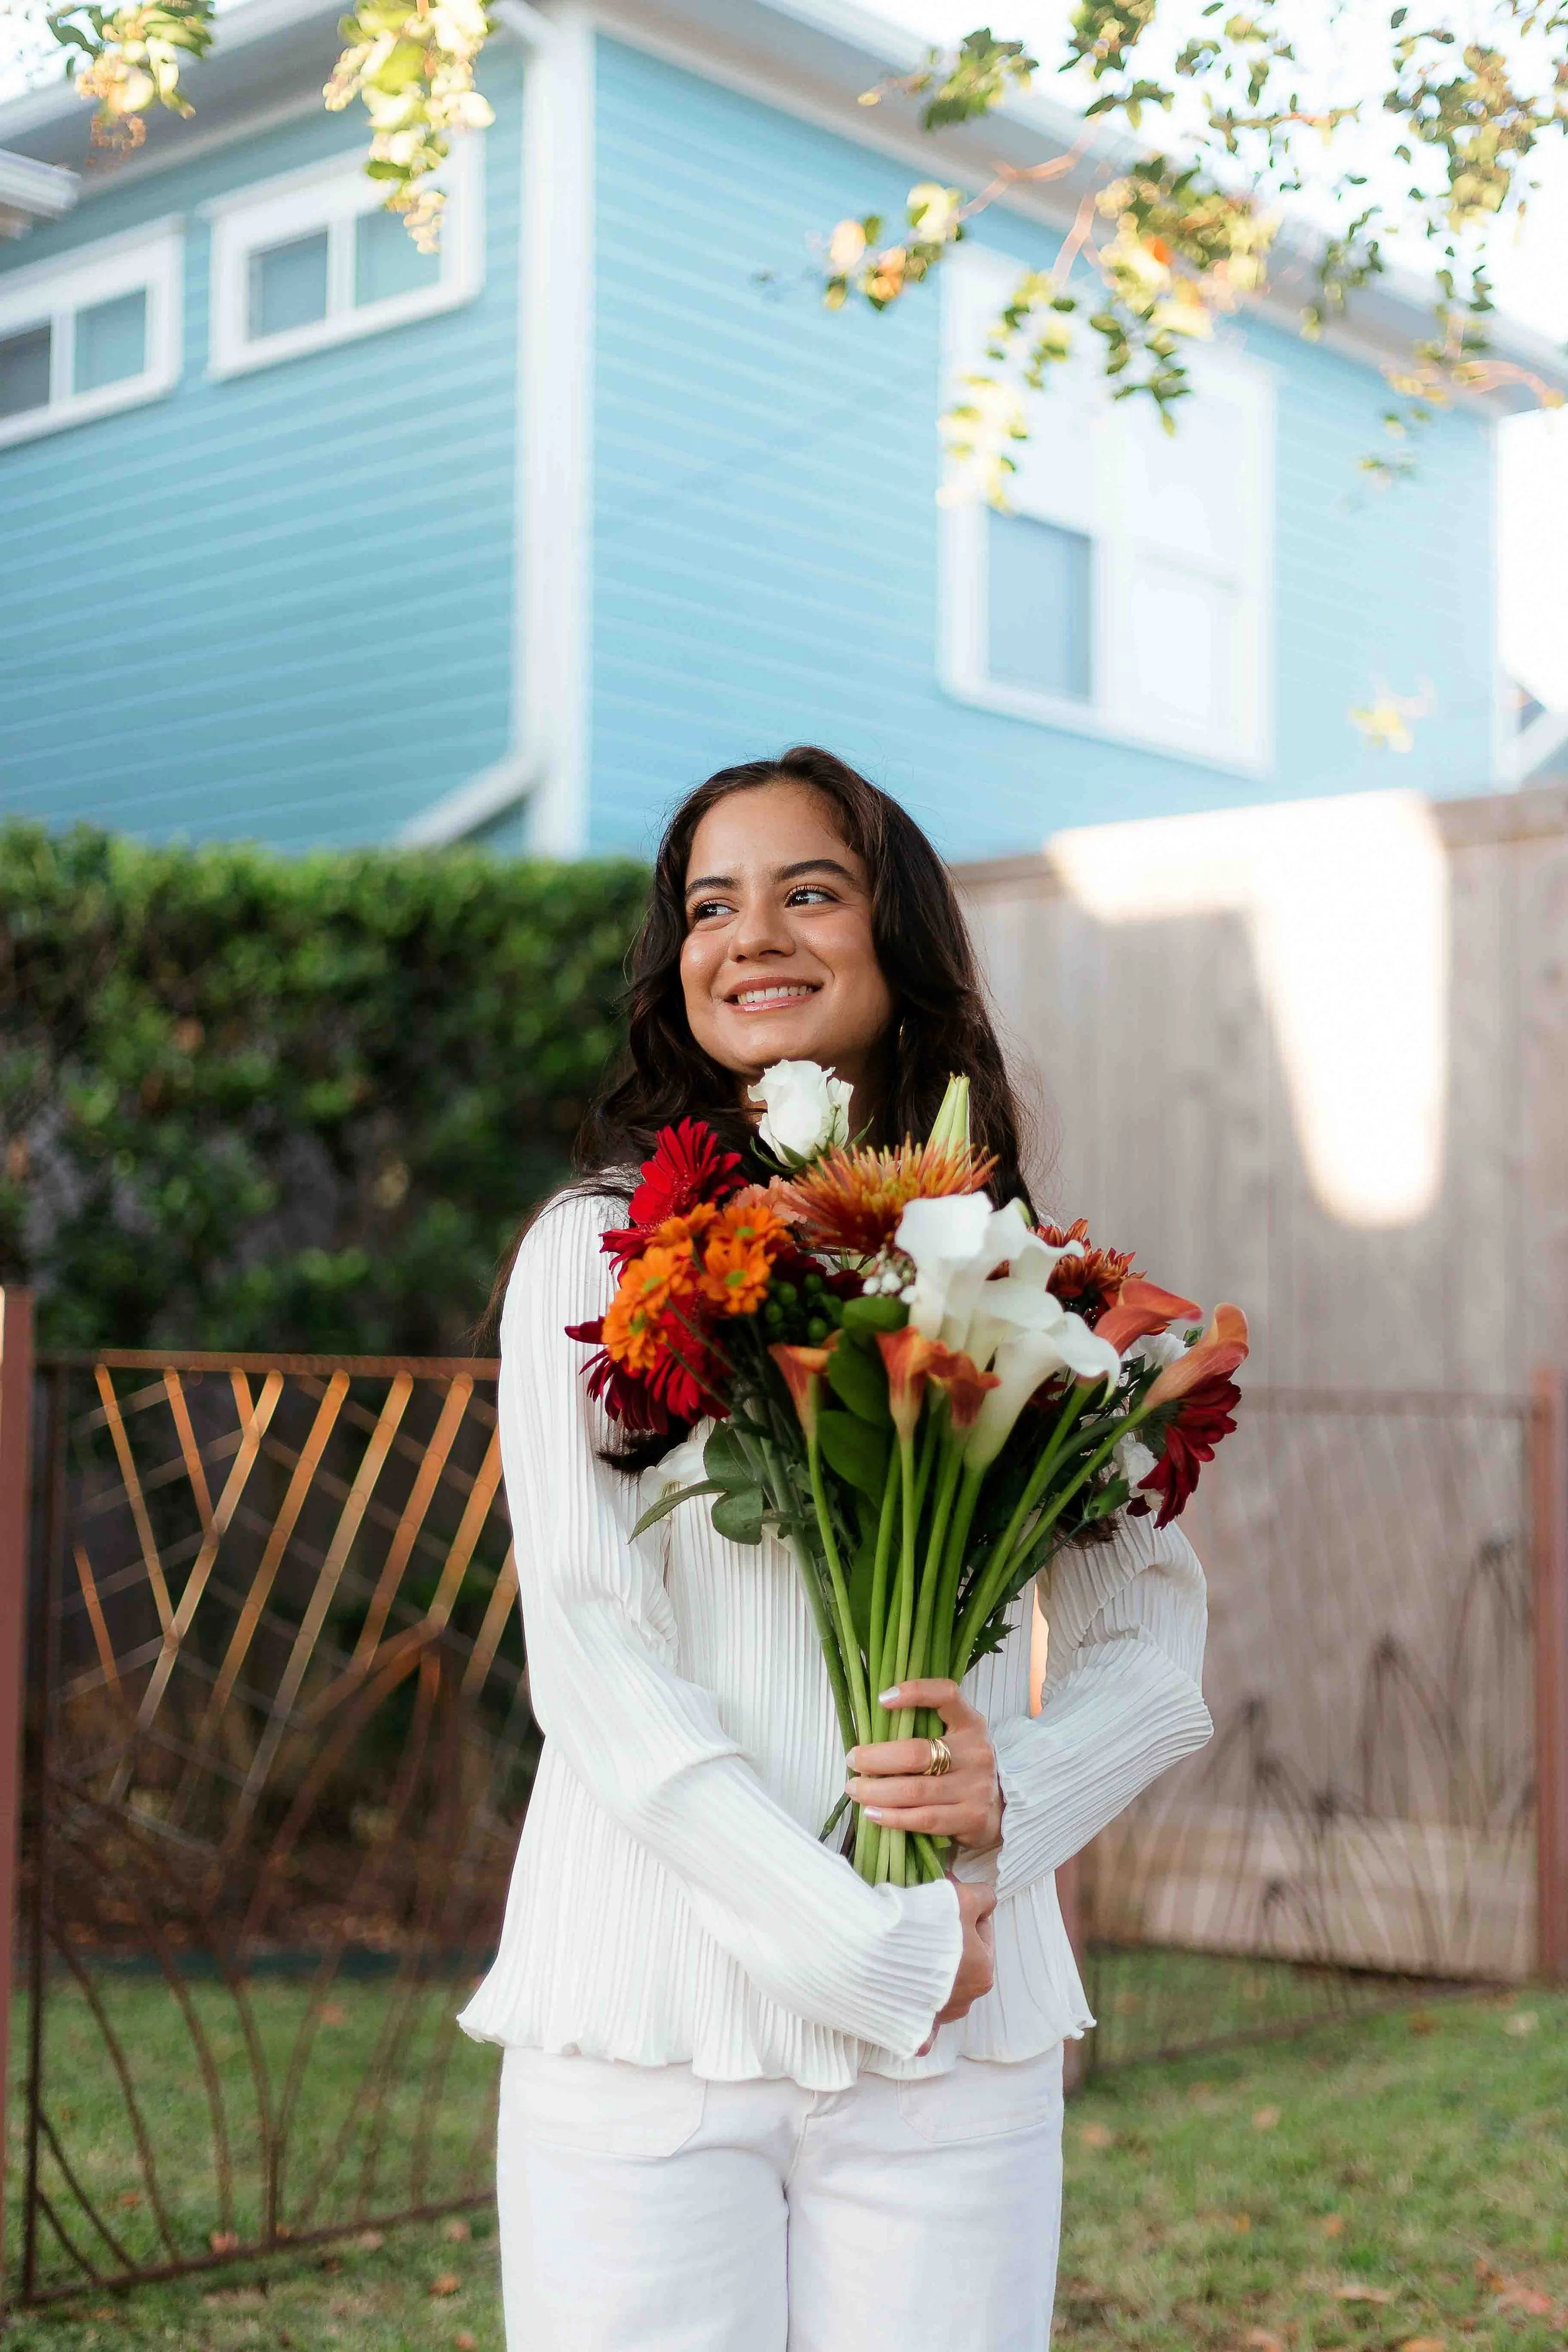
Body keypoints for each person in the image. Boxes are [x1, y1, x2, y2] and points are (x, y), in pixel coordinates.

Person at [459, 746, 1213, 2351]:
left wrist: (1006, 1801)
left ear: (902, 942)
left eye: (809, 889)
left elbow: (1152, 1651)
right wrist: (868, 1949)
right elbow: (591, 1652)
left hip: (963, 2031)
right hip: (646, 2020)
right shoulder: (593, 1250)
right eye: (709, 905)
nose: (750, 936)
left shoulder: (1029, 1280)